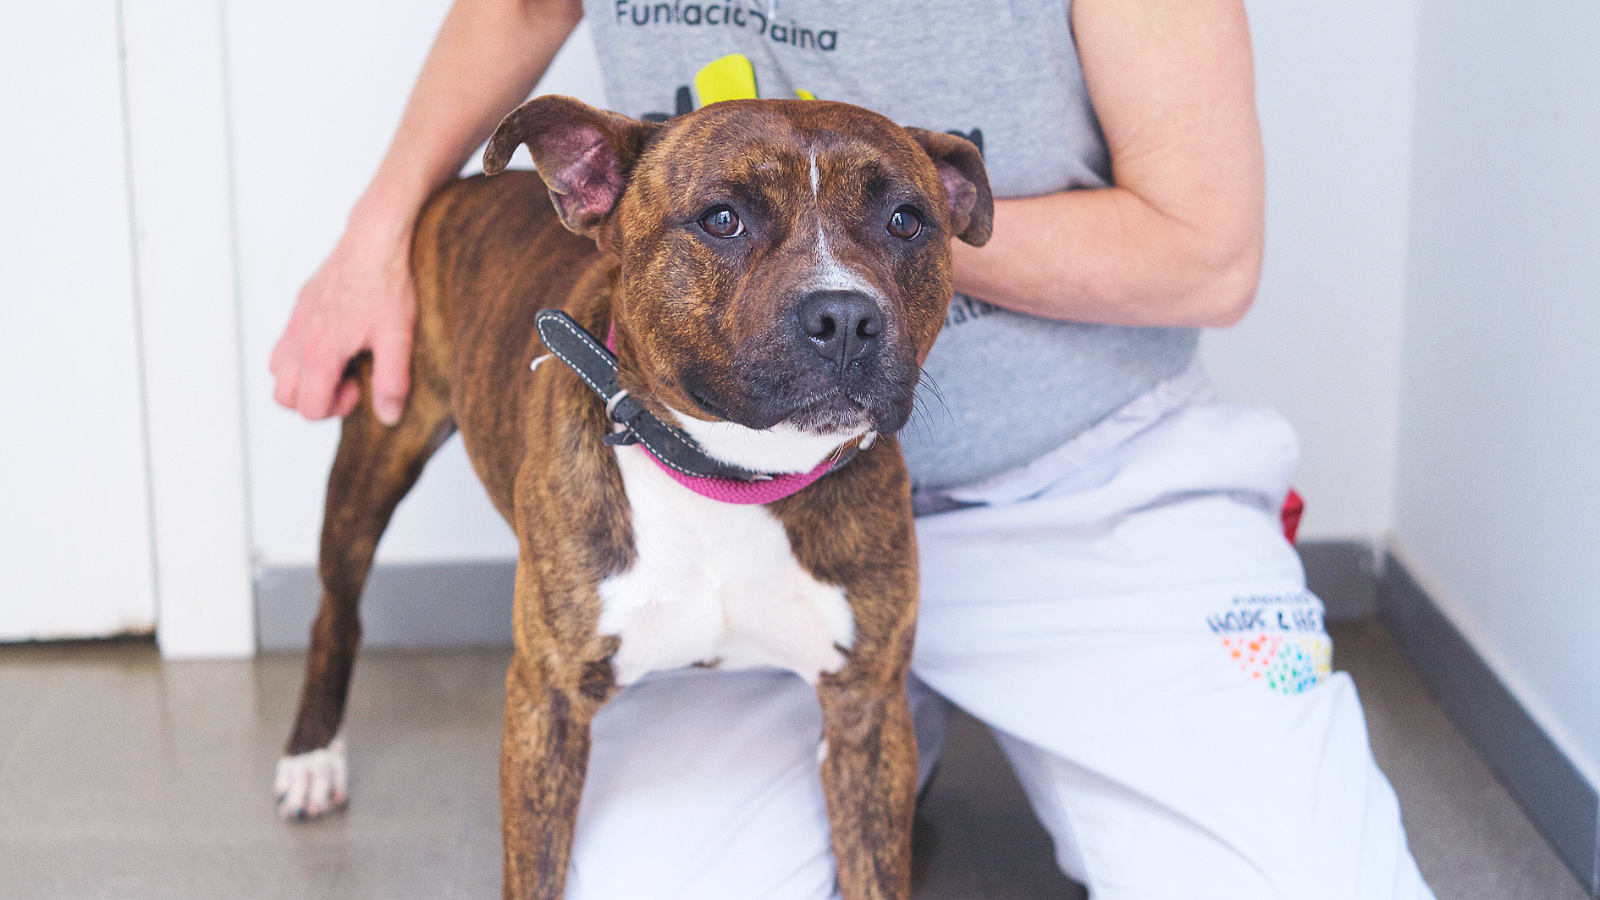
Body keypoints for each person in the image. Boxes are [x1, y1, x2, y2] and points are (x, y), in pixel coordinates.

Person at [272, 1, 1437, 897]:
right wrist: (375, 234)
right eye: (725, 220)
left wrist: (879, 224)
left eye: (904, 222)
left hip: (1082, 486)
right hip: (698, 485)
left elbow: (1210, 255)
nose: (839, 301)